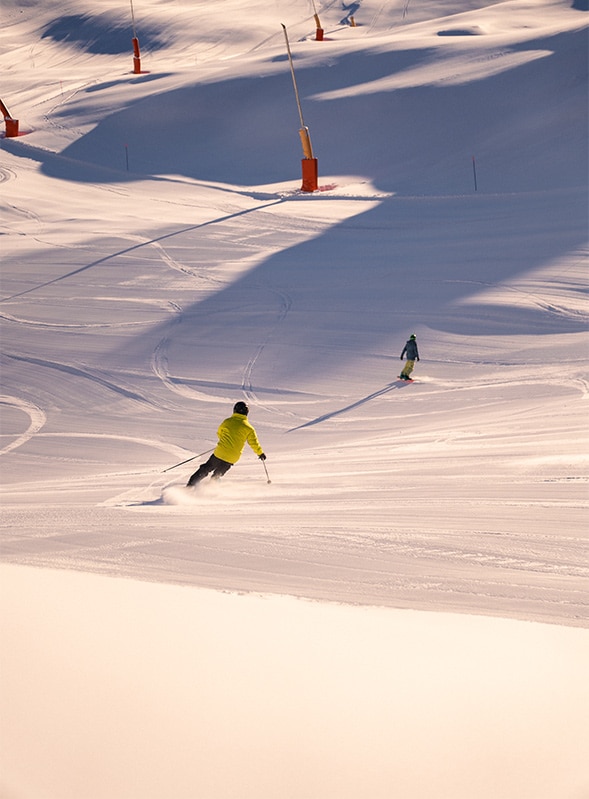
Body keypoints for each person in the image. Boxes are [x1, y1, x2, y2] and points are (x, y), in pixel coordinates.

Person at [187, 401, 266, 486]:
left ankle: (191, 485)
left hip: (220, 452)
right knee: (218, 474)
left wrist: (224, 441)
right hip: (233, 457)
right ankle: (211, 488)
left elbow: (219, 433)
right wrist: (260, 453)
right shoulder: (249, 428)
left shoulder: (227, 422)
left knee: (206, 468)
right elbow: (254, 443)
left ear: (234, 410)